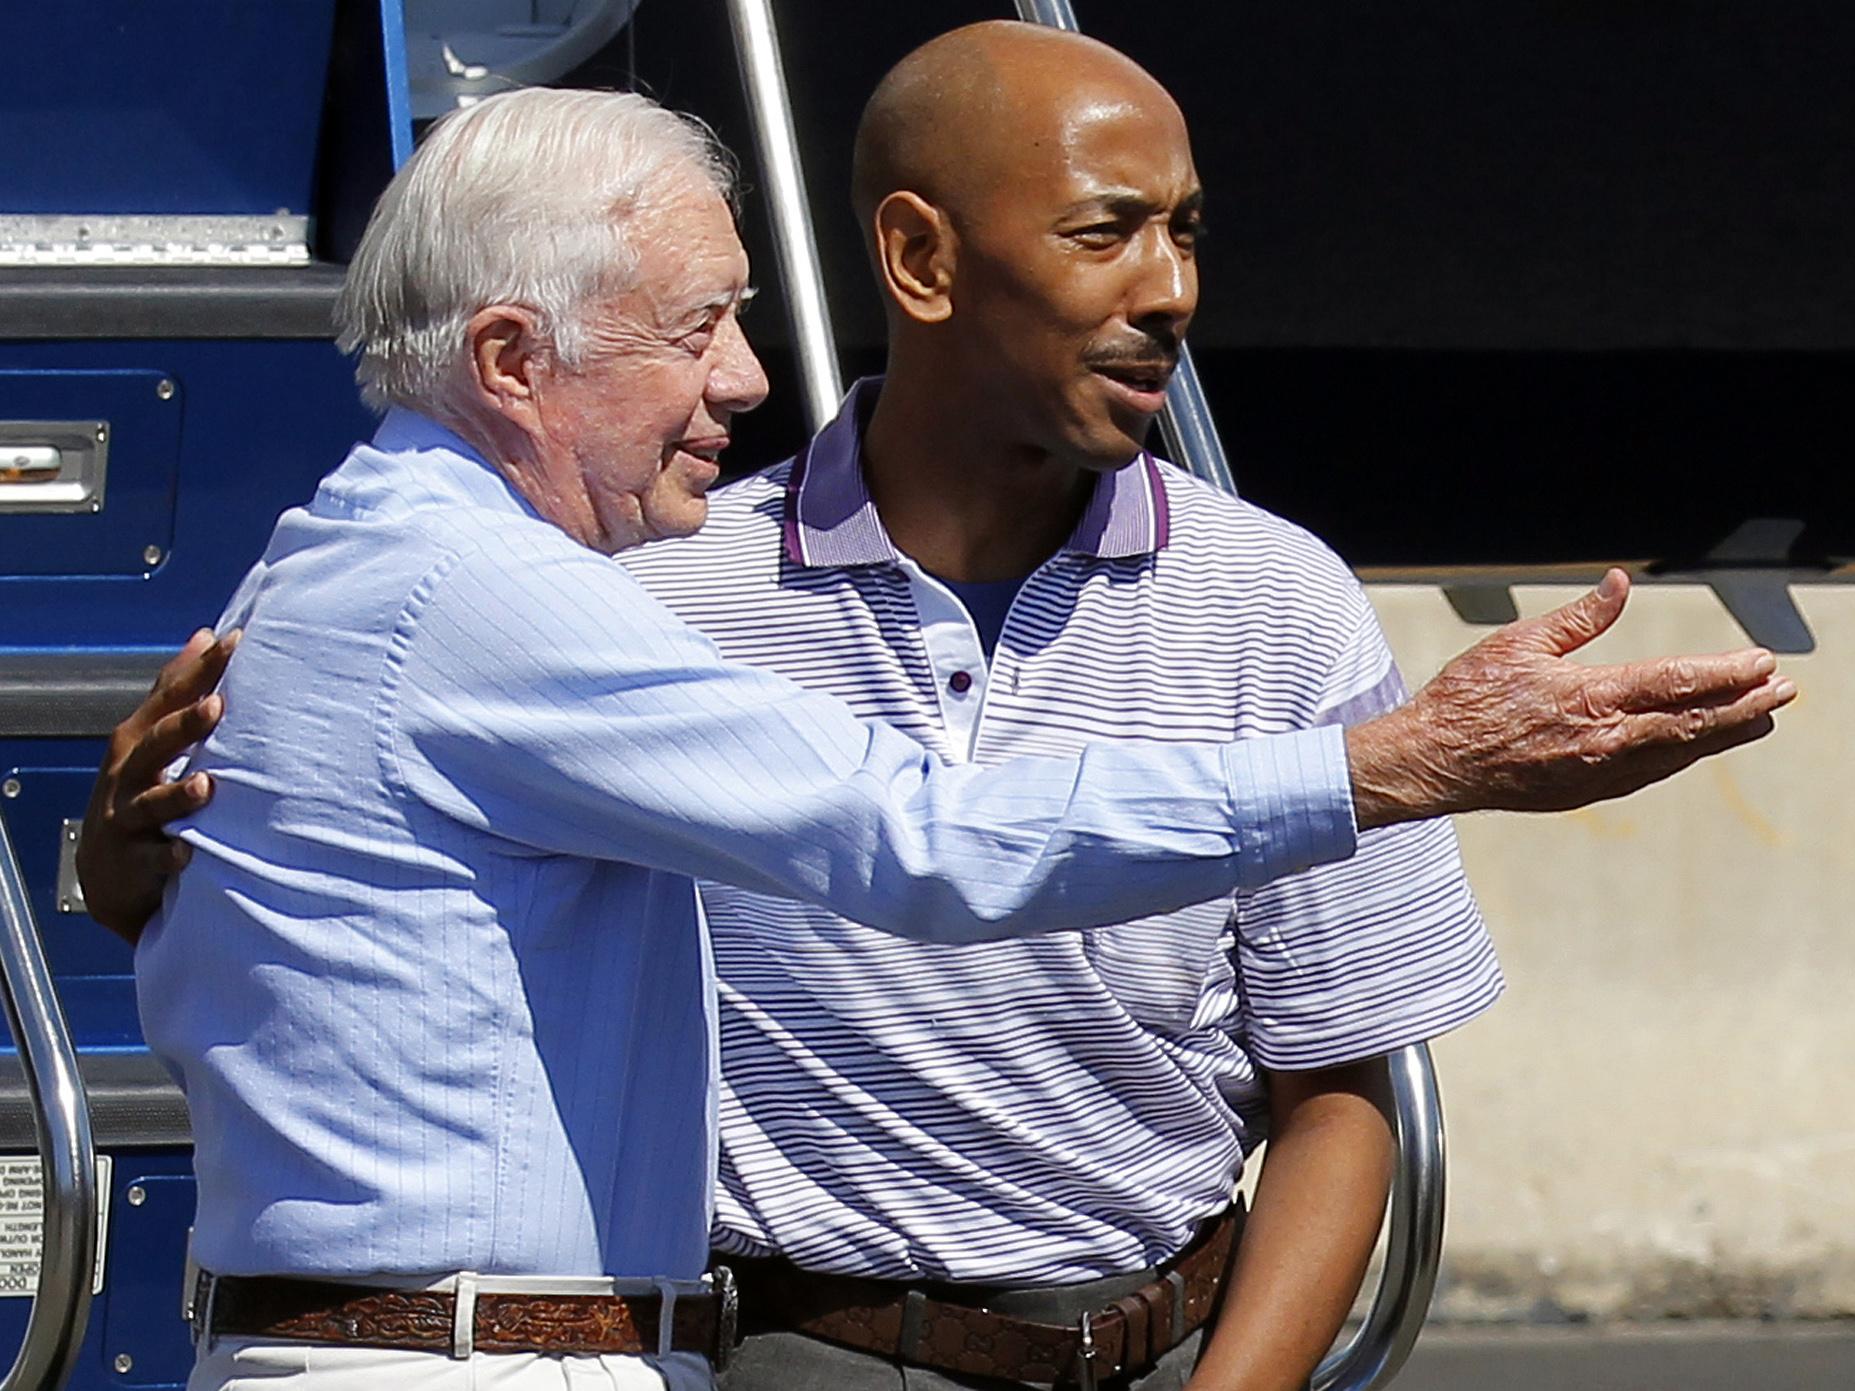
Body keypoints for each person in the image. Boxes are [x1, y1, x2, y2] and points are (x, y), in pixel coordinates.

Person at [82, 79, 1790, 1391]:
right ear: (514, 359)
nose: (745, 383)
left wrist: (131, 880)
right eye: (696, 331)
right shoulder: (499, 593)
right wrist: (1396, 767)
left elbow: (313, 905)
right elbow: (919, 840)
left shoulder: (366, 559)